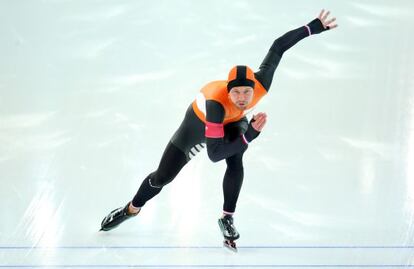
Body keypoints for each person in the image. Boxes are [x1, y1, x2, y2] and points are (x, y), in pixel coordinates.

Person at [100, 9, 338, 249]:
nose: (243, 98)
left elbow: (278, 47)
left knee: (236, 158)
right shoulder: (215, 103)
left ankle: (227, 218)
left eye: (247, 92)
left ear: (255, 87)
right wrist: (250, 136)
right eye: (236, 92)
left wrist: (313, 27)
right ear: (228, 90)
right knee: (163, 177)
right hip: (198, 125)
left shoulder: (262, 82)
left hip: (233, 122)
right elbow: (213, 155)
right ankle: (130, 209)